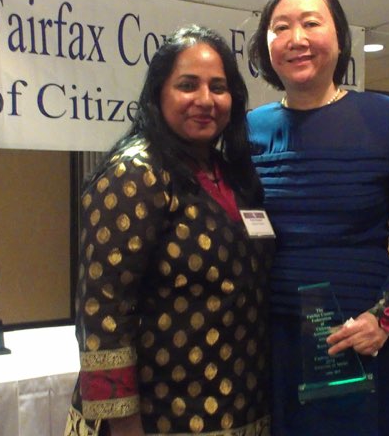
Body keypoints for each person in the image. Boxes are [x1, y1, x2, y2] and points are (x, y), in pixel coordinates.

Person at [247, 0, 389, 436]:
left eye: (310, 23)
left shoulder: (386, 118)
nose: (296, 39)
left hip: (364, 339)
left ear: (339, 36)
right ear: (266, 45)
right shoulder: (251, 129)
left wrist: (385, 317)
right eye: (280, 27)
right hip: (278, 342)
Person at [65, 25, 274, 436]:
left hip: (242, 410)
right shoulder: (135, 172)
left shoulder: (231, 174)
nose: (205, 100)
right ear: (158, 95)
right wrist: (124, 424)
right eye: (187, 85)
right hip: (157, 420)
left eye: (218, 87)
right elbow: (102, 314)